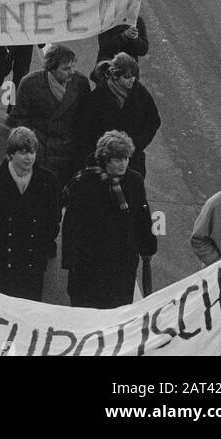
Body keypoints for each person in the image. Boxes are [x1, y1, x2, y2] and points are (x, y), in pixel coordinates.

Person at [62, 130, 158, 309]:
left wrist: (148, 247)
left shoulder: (134, 181)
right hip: (89, 264)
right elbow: (72, 224)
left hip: (121, 267)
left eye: (126, 158)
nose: (123, 164)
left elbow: (142, 218)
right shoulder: (85, 183)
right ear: (105, 160)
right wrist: (71, 261)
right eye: (117, 160)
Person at [0, 126, 61, 301]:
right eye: (23, 152)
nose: (29, 157)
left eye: (32, 152)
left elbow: (53, 220)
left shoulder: (48, 181)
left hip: (31, 265)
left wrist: (42, 253)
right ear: (11, 154)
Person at [9, 44, 91, 194]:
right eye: (66, 68)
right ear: (51, 68)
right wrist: (31, 146)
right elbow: (19, 118)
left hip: (68, 154)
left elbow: (86, 120)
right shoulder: (29, 83)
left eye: (73, 66)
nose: (72, 72)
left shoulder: (80, 83)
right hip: (39, 153)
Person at [80, 54, 161, 179]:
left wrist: (136, 144)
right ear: (115, 76)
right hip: (105, 162)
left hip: (133, 160)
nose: (132, 80)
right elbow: (86, 129)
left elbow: (153, 121)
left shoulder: (140, 93)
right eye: (127, 77)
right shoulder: (97, 97)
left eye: (134, 75)